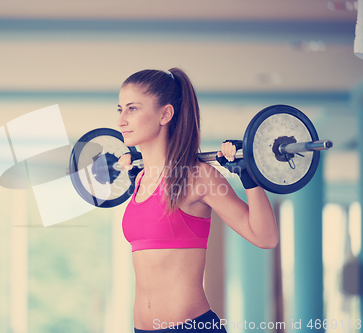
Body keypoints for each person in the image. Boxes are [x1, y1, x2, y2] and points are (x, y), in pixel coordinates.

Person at [116, 68, 278, 332]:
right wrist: (134, 170)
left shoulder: (197, 176)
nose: (121, 120)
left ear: (165, 114)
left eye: (132, 109)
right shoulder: (140, 178)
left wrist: (249, 175)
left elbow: (266, 237)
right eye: (120, 109)